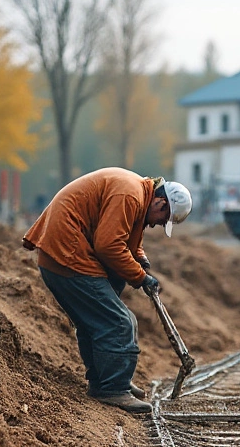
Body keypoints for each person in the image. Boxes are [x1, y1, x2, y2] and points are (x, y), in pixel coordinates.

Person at [23, 168, 192, 413]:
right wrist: (141, 277)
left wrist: (140, 259)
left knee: (99, 316)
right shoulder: (131, 195)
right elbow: (109, 244)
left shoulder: (137, 194)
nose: (156, 224)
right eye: (162, 218)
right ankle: (112, 388)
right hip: (67, 255)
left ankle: (105, 379)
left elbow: (126, 234)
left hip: (65, 252)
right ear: (160, 201)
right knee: (119, 322)